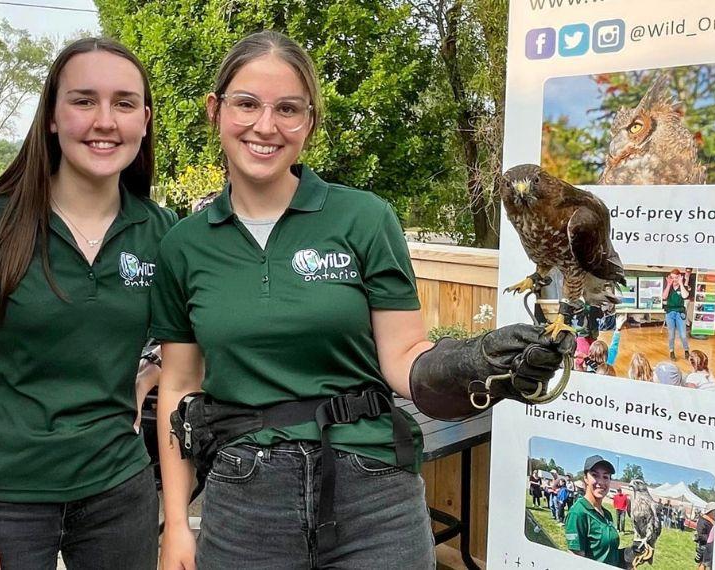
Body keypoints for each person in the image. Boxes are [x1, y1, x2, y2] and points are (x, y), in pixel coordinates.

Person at [149, 31, 571, 570]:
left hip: (370, 487)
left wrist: (471, 365)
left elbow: (402, 355)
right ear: (216, 110)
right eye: (247, 104)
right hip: (244, 493)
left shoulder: (364, 218)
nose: (265, 125)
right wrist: (176, 525)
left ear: (310, 122)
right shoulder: (184, 246)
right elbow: (180, 388)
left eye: (288, 109)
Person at [0, 38, 175, 569]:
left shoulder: (161, 232)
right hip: (7, 498)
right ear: (53, 118)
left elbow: (187, 347)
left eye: (124, 103)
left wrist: (149, 370)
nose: (105, 120)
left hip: (120, 490)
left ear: (145, 121)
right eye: (84, 101)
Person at [565, 455, 622, 566]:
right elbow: (576, 563)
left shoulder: (607, 514)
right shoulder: (578, 513)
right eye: (595, 475)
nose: (600, 482)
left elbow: (610, 555)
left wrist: (631, 553)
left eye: (605, 477)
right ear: (585, 478)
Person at [662, 268, 691, 360]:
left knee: (683, 335)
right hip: (670, 313)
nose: (674, 279)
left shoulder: (683, 286)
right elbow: (664, 297)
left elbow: (685, 296)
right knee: (671, 335)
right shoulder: (668, 286)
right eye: (672, 277)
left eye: (676, 277)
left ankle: (686, 350)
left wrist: (681, 283)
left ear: (679, 277)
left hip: (680, 313)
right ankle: (671, 352)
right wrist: (668, 284)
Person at [695, 503, 715, 570]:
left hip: (710, 545)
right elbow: (700, 534)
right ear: (710, 512)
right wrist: (710, 540)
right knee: (703, 563)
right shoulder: (703, 520)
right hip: (704, 545)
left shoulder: (712, 521)